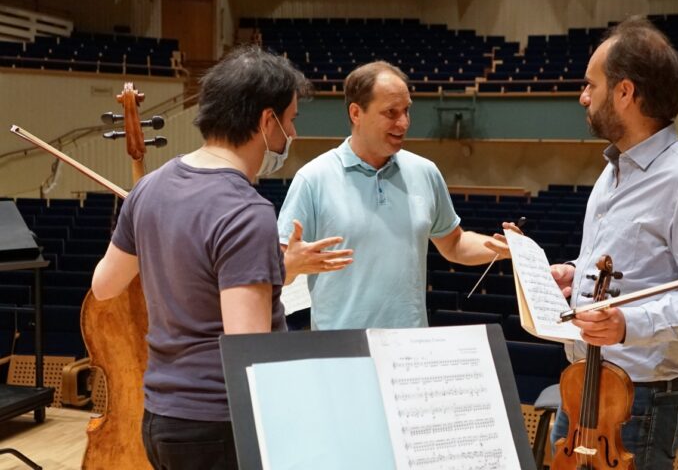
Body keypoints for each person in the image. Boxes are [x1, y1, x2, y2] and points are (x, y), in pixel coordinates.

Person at [91, 46, 318, 470]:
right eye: (291, 120)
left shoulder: (149, 188)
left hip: (161, 417)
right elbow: (247, 349)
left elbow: (104, 286)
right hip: (219, 426)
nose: (293, 133)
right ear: (267, 121)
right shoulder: (246, 211)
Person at [547, 16, 678, 469]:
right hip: (583, 384)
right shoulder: (613, 171)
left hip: (643, 399)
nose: (583, 97)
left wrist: (629, 325)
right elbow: (624, 263)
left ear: (625, 92)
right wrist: (576, 273)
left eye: (591, 85)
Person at [277, 61, 510, 330]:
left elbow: (455, 245)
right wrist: (290, 266)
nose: (404, 122)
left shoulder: (425, 172)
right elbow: (277, 270)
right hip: (340, 351)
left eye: (406, 110)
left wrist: (502, 250)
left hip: (408, 351)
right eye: (391, 112)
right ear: (356, 113)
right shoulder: (313, 178)